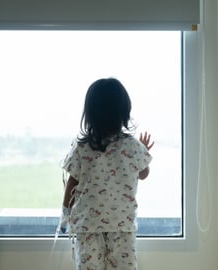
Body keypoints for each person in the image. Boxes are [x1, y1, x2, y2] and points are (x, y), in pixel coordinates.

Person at [60, 78, 154, 270]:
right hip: (121, 224)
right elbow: (143, 174)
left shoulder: (82, 147)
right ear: (123, 111)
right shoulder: (132, 146)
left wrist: (65, 215)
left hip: (87, 225)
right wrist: (143, 151)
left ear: (91, 114)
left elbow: (72, 183)